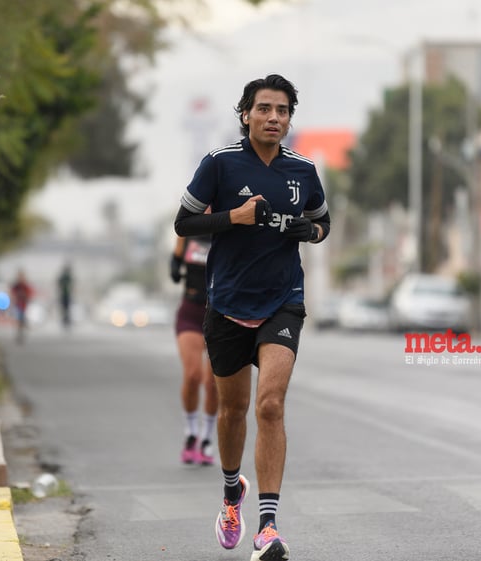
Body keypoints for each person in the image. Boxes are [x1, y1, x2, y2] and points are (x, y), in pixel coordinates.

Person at [174, 74, 330, 561]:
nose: (274, 118)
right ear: (246, 114)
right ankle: (229, 493)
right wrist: (232, 218)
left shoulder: (303, 171)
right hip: (226, 304)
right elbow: (184, 222)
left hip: (283, 300)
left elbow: (324, 222)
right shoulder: (219, 165)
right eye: (264, 109)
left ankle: (268, 526)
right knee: (233, 411)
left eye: (282, 111)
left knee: (270, 407)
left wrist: (314, 232)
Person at [170, 234, 218, 465]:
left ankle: (207, 438)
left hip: (220, 313)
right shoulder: (188, 230)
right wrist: (175, 264)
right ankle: (191, 433)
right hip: (190, 312)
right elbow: (176, 259)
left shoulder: (229, 226)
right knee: (193, 375)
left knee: (214, 382)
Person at [10, 269, 33, 344]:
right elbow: (12, 293)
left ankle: (21, 333)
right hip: (17, 305)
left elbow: (29, 293)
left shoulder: (25, 286)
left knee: (21, 319)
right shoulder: (16, 286)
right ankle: (20, 333)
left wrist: (26, 297)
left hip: (23, 305)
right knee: (19, 319)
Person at [57, 263, 74, 329]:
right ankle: (65, 320)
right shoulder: (64, 277)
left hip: (67, 295)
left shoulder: (68, 277)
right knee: (64, 308)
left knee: (66, 308)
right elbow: (59, 284)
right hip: (64, 295)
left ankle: (66, 320)